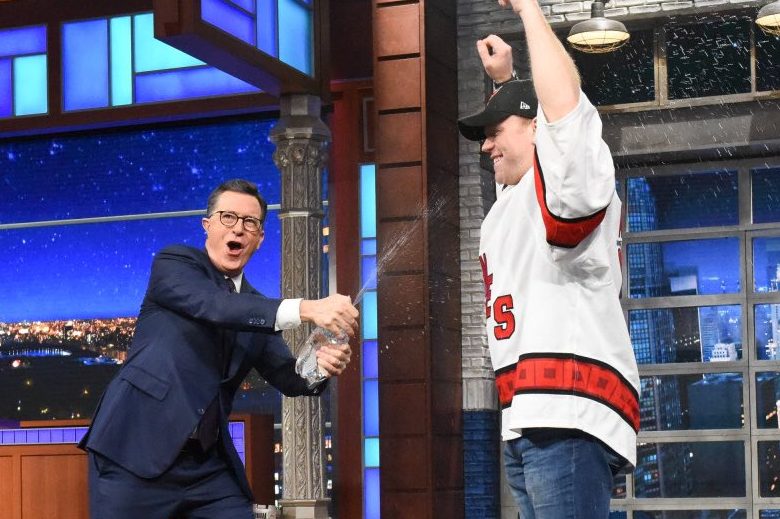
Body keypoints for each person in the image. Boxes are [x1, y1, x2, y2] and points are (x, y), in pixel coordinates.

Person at [79, 178, 358, 519]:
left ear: (259, 238)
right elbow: (214, 306)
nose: (238, 229)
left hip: (207, 467)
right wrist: (307, 308)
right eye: (228, 217)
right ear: (207, 226)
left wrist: (320, 363)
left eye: (249, 222)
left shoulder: (257, 307)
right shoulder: (175, 264)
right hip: (133, 452)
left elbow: (290, 377)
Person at [457, 1, 640, 517]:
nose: (486, 146)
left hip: (569, 410)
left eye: (495, 133)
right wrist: (507, 81)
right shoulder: (512, 200)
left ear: (538, 129)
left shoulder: (563, 178)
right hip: (526, 415)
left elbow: (562, 112)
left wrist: (530, 11)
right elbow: (529, 115)